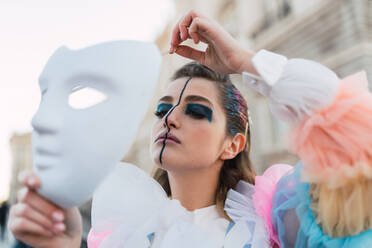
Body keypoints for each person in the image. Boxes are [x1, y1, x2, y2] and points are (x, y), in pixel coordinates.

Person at [9, 9, 372, 248]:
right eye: (162, 109)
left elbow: (355, 128)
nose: (169, 118)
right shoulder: (124, 231)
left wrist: (244, 61)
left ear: (233, 144)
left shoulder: (273, 226)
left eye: (196, 111)